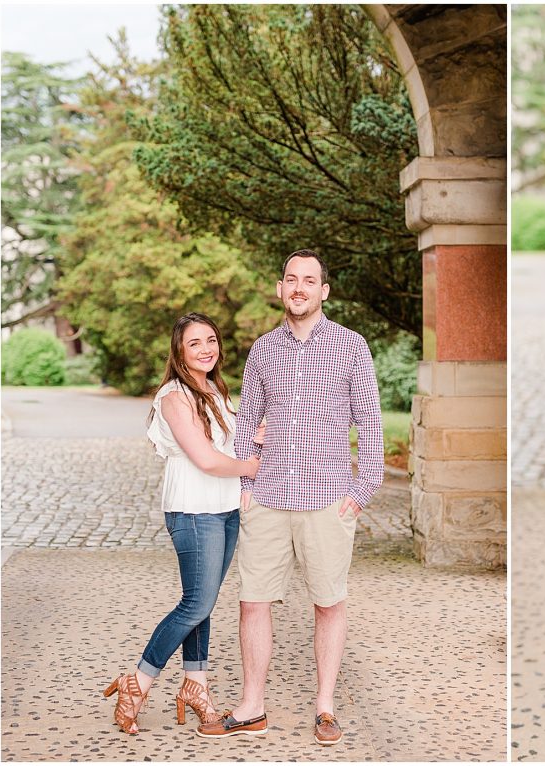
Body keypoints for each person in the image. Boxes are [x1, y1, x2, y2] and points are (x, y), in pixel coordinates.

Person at [197, 249, 384, 745]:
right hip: (270, 498)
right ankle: (252, 705)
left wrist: (362, 490)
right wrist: (246, 485)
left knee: (328, 603)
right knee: (252, 603)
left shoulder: (350, 346)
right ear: (281, 289)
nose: (299, 288)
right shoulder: (263, 350)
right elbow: (246, 422)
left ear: (323, 291)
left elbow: (371, 423)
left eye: (310, 280)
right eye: (291, 279)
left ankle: (324, 707)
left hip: (328, 500)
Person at [103, 312, 262, 735]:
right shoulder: (174, 397)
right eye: (195, 343)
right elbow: (207, 459)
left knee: (202, 602)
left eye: (211, 340)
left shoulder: (215, 390)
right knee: (195, 604)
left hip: (224, 508)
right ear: (179, 351)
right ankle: (136, 682)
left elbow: (237, 438)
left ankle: (196, 685)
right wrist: (252, 467)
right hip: (193, 509)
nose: (206, 348)